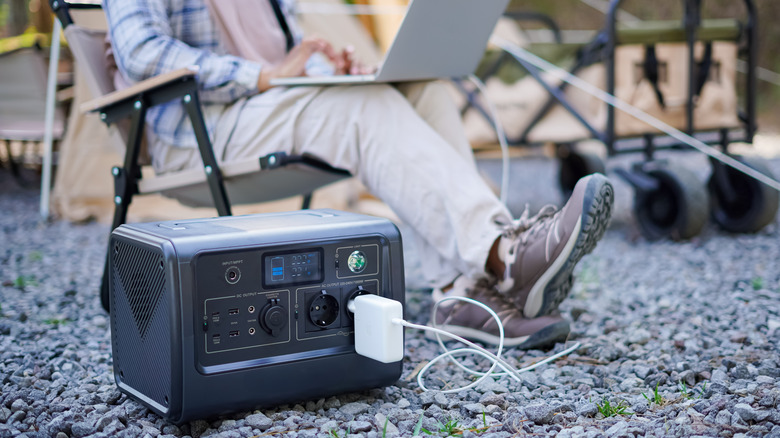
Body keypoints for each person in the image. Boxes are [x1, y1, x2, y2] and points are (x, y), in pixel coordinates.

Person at [103, 0, 614, 350]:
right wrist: (263, 75)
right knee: (360, 107)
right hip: (199, 129)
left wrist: (326, 68)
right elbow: (141, 52)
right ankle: (503, 255)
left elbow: (282, 54)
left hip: (264, 108)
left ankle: (461, 290)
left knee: (425, 90)